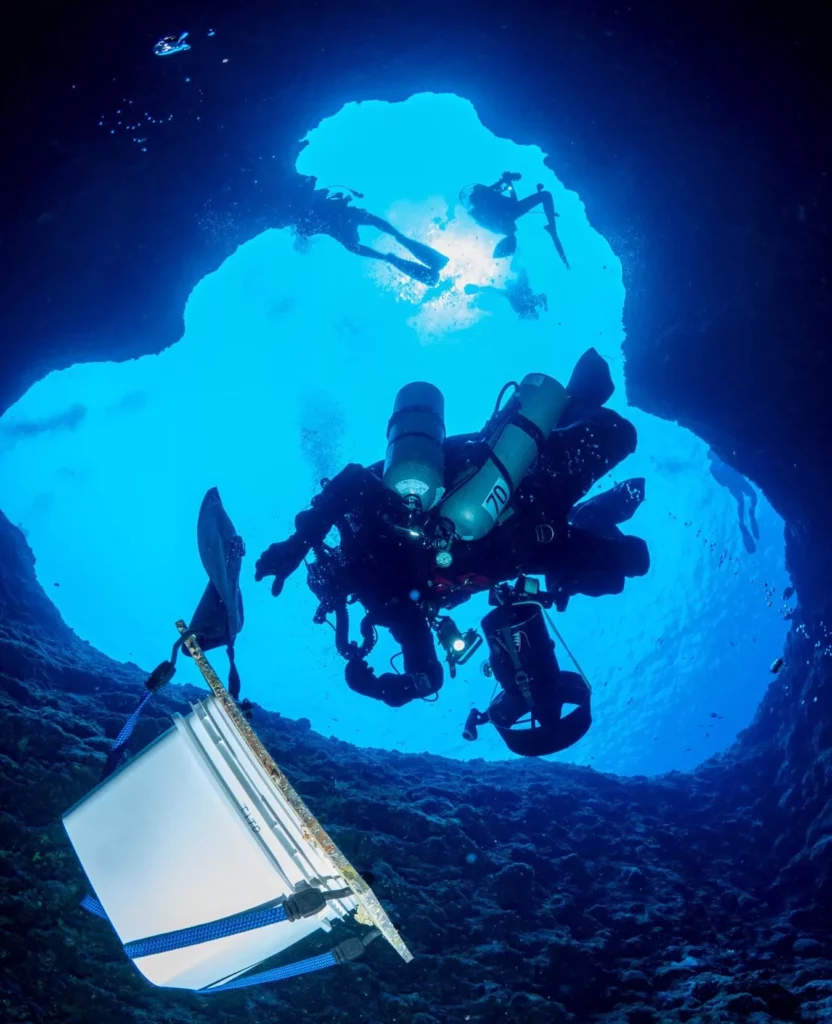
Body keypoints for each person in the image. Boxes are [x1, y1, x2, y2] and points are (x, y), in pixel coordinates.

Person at [255, 350, 649, 755]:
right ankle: (590, 503)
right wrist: (380, 686)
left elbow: (354, 479)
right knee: (629, 560)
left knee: (618, 435)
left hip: (524, 495)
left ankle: (566, 410)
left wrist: (295, 544)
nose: (341, 598)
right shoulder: (389, 604)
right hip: (527, 541)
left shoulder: (370, 536)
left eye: (334, 594)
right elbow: (427, 671)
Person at [291, 180, 449, 286]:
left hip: (340, 221)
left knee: (357, 242)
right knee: (366, 234)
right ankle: (398, 246)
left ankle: (394, 253)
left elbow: (302, 235)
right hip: (341, 220)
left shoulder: (300, 214)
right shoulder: (303, 212)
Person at [460, 171, 570, 267]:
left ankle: (552, 228)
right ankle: (552, 227)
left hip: (507, 217)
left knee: (545, 195)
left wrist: (508, 182)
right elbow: (513, 203)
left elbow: (512, 202)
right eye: (478, 191)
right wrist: (508, 182)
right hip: (507, 216)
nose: (481, 189)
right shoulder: (486, 200)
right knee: (545, 195)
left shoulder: (485, 201)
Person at [707, 449, 760, 553]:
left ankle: (749, 516)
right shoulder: (714, 467)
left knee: (747, 499)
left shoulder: (716, 465)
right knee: (745, 499)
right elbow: (722, 482)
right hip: (735, 481)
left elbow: (722, 482)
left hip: (735, 481)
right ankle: (745, 520)